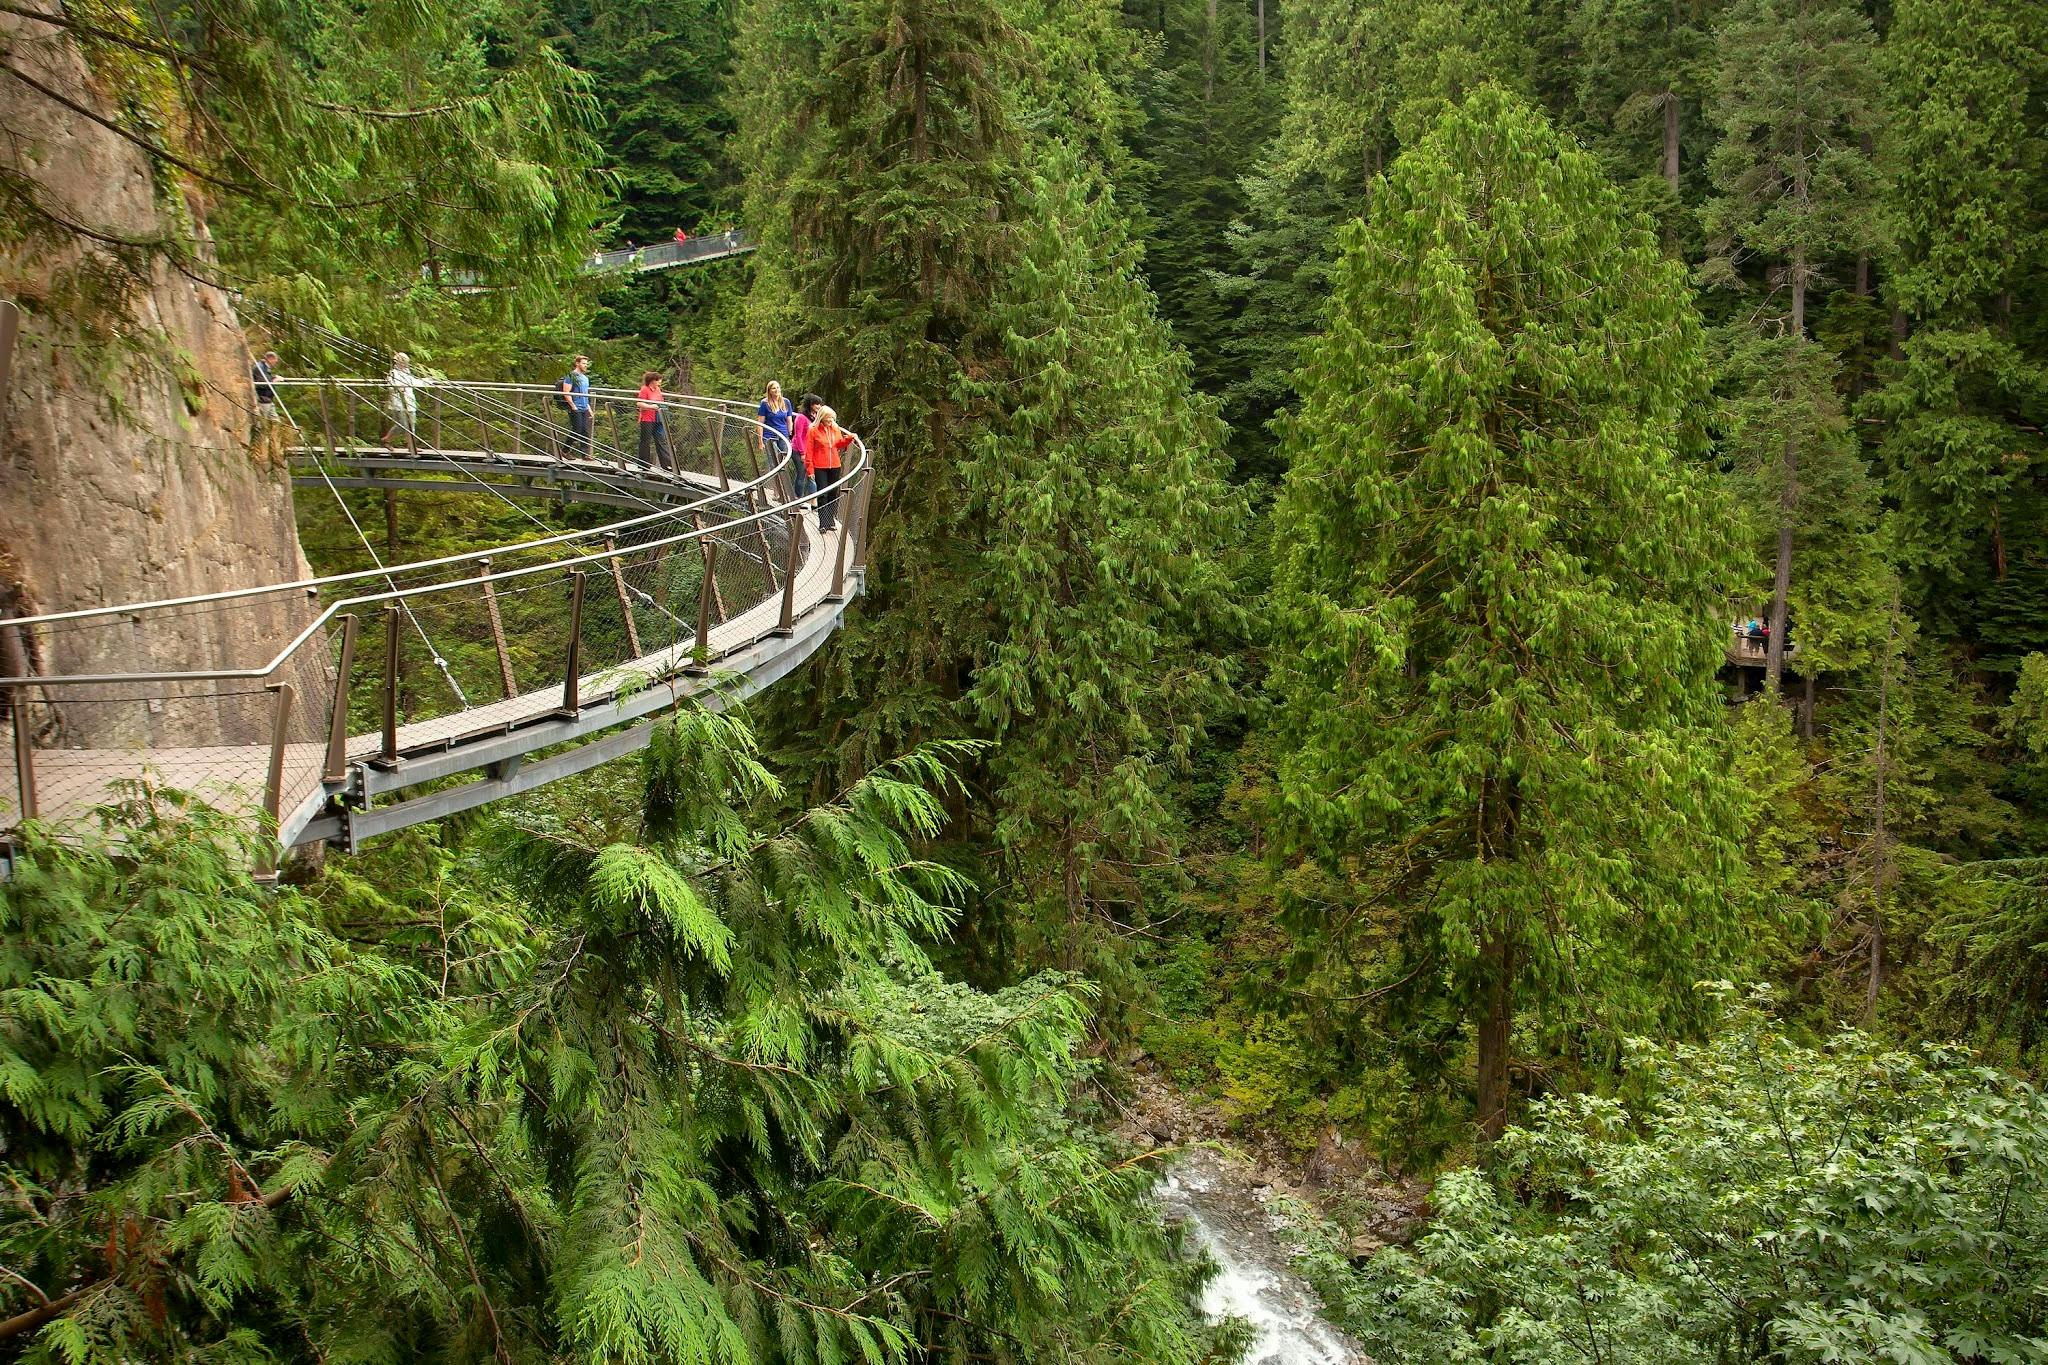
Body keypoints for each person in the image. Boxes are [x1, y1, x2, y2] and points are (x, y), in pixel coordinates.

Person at [807, 405, 854, 533]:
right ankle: (823, 522)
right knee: (823, 493)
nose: (830, 422)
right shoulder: (813, 430)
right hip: (819, 466)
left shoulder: (835, 428)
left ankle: (830, 521)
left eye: (832, 419)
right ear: (821, 418)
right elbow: (809, 451)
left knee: (833, 493)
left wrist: (849, 439)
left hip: (834, 465)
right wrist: (810, 469)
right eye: (828, 419)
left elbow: (838, 444)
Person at [382, 351, 428, 448]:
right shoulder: (393, 373)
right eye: (402, 361)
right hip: (399, 403)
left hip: (409, 402)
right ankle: (387, 440)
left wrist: (427, 381)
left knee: (411, 425)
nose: (404, 364)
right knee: (402, 424)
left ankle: (411, 446)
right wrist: (399, 387)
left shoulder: (407, 372)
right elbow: (391, 386)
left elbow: (413, 382)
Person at [756, 381, 795, 483]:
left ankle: (783, 488)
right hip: (769, 436)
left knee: (784, 462)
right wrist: (760, 441)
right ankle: (776, 489)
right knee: (773, 462)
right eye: (774, 388)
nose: (776, 390)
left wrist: (790, 436)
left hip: (783, 435)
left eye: (778, 388)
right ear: (769, 391)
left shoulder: (786, 402)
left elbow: (789, 420)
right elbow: (760, 423)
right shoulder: (765, 404)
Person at [636, 369, 673, 471]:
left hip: (658, 418)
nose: (660, 382)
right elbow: (639, 403)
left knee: (661, 439)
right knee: (645, 440)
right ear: (653, 381)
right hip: (647, 418)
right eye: (658, 380)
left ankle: (667, 464)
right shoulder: (645, 389)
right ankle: (644, 464)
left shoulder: (658, 389)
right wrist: (651, 406)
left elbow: (661, 401)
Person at [558, 354, 592, 459]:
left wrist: (589, 407)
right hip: (575, 406)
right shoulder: (571, 376)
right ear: (577, 363)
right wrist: (573, 405)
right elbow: (566, 392)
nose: (585, 365)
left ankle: (585, 454)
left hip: (584, 407)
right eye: (583, 363)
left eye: (586, 364)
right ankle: (565, 450)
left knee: (585, 431)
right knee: (577, 429)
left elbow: (585, 393)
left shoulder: (585, 378)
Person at [791, 394, 821, 497]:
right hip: (798, 449)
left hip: (810, 450)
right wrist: (802, 453)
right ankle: (798, 498)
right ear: (810, 404)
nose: (819, 406)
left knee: (811, 475)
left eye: (819, 404)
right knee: (801, 473)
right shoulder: (801, 417)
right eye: (816, 404)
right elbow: (798, 436)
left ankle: (812, 500)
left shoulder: (816, 416)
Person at [251, 350, 280, 422]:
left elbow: (266, 378)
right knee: (262, 422)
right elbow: (261, 384)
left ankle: (275, 433)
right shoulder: (259, 367)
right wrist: (274, 381)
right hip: (262, 399)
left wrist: (273, 377)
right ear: (270, 359)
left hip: (268, 399)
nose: (275, 364)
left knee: (276, 422)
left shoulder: (265, 367)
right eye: (275, 361)